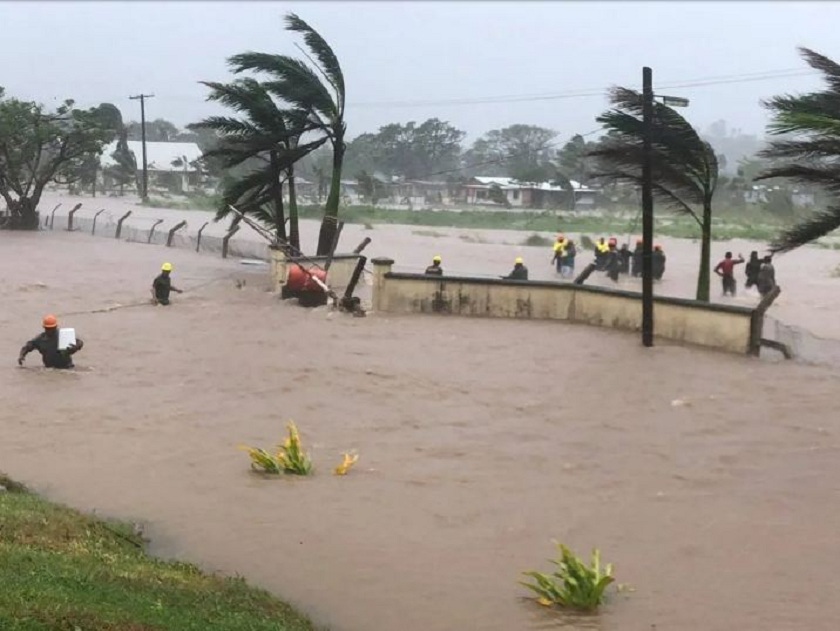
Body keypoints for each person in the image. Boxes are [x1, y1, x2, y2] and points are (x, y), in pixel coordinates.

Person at [18, 314, 84, 369]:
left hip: (67, 368)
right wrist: (21, 356)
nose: (50, 331)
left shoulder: (63, 335)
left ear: (56, 327)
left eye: (52, 328)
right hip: (49, 369)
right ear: (44, 328)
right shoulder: (40, 339)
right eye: (48, 329)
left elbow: (80, 342)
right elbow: (27, 347)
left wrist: (76, 347)